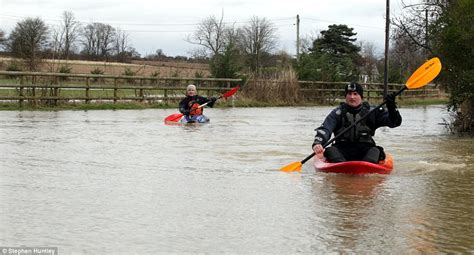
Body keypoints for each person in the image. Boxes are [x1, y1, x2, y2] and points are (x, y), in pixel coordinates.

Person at [312, 82, 402, 163]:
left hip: (365, 149)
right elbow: (325, 129)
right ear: (345, 96)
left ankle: (366, 169)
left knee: (375, 151)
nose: (352, 97)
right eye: (349, 94)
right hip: (342, 149)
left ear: (361, 97)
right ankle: (343, 168)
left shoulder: (372, 112)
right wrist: (318, 143)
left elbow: (394, 122)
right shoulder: (337, 113)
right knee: (330, 150)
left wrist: (392, 108)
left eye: (355, 94)